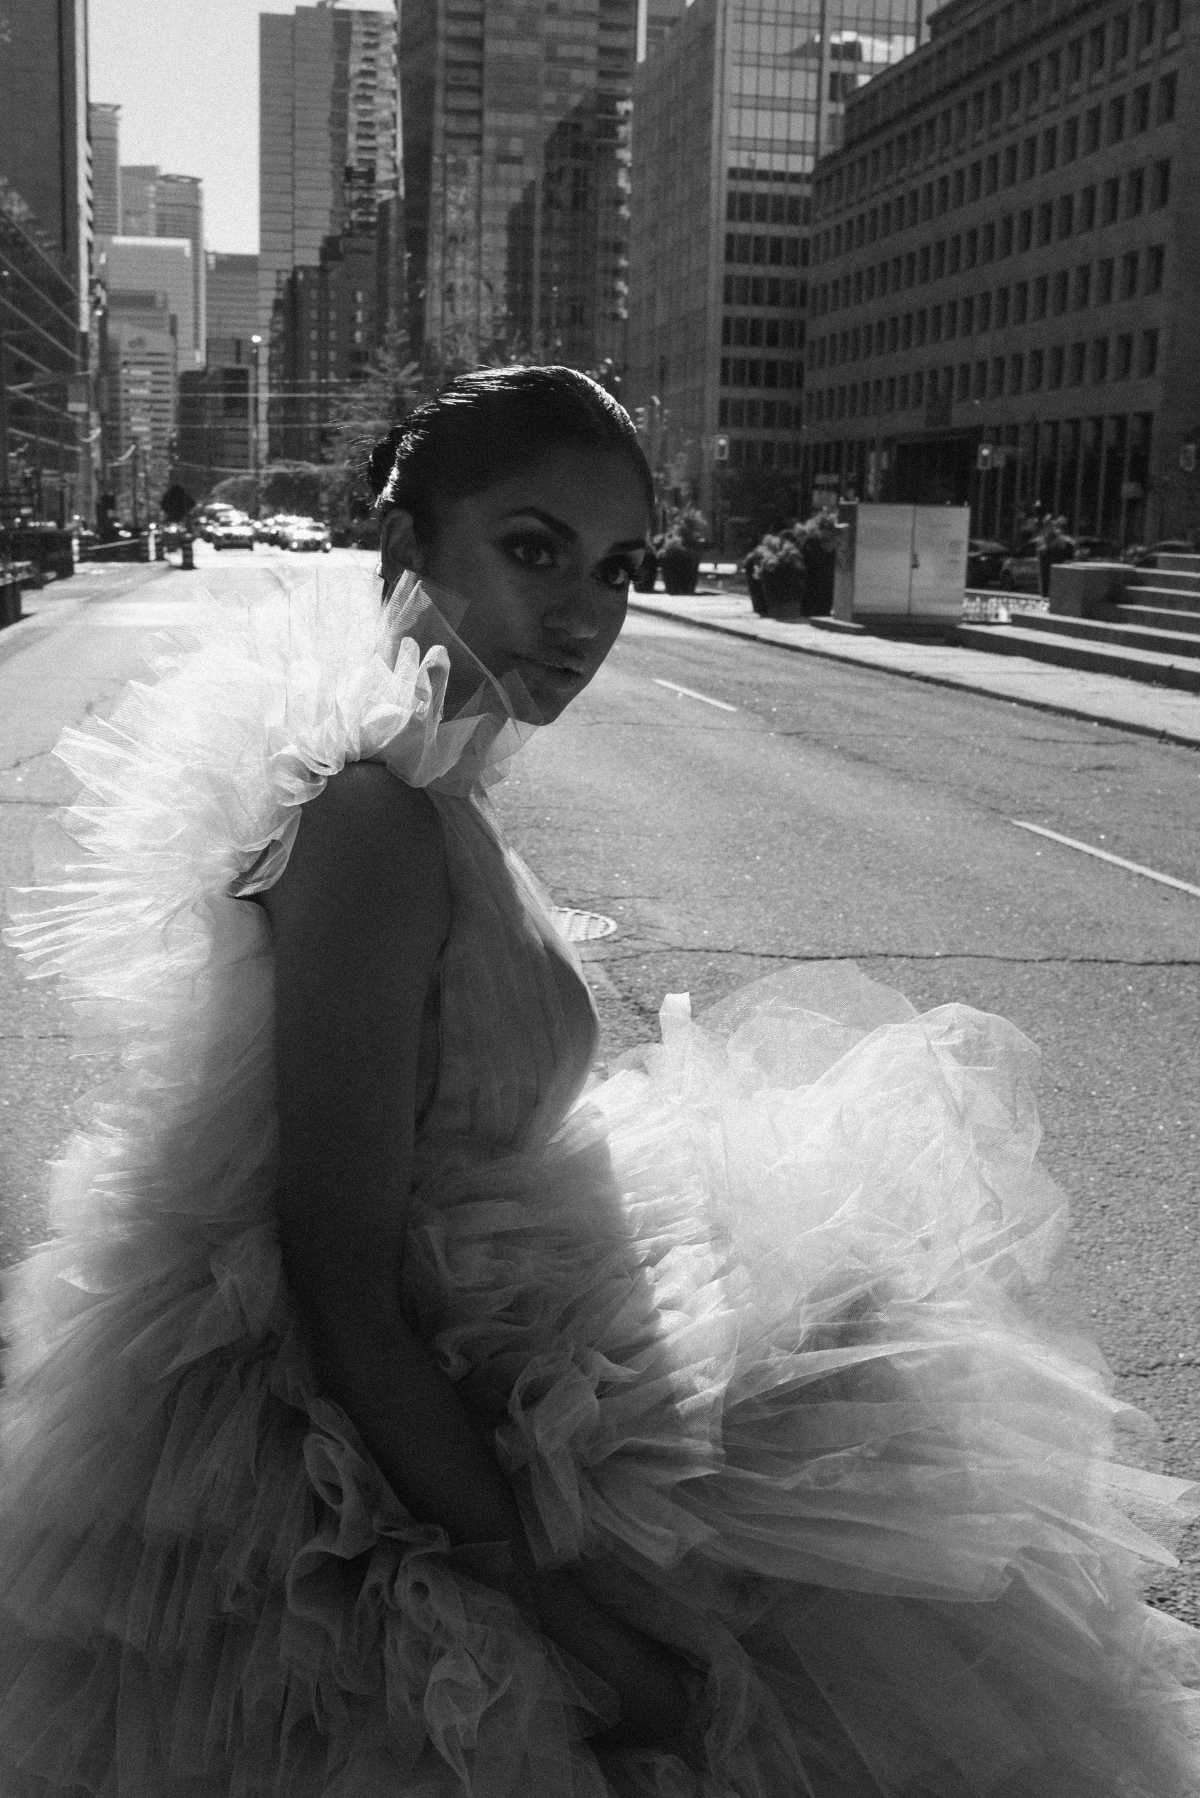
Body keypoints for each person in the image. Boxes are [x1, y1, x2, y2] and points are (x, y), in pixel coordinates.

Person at [1, 366, 1198, 1796]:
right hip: (372, 1473)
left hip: (499, 1380)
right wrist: (554, 1613)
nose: (585, 614)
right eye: (533, 549)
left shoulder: (430, 784)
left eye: (619, 567)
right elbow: (339, 1282)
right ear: (406, 546)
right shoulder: (371, 822)